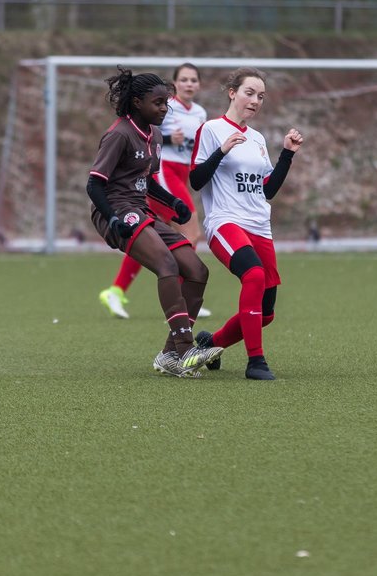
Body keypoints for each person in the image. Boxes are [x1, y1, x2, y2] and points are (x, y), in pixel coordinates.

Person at [86, 67, 224, 377]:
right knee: (167, 265)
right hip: (118, 210)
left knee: (197, 270)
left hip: (141, 209)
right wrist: (112, 218)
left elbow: (147, 182)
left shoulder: (156, 135)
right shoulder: (118, 134)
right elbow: (94, 184)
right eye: (158, 103)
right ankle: (186, 347)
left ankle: (169, 356)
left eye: (167, 103)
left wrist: (173, 202)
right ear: (137, 102)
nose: (164, 109)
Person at [189, 67, 304, 380]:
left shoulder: (257, 139)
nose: (256, 100)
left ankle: (209, 344)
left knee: (266, 314)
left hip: (259, 227)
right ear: (232, 93)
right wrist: (222, 150)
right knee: (253, 275)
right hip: (225, 222)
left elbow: (266, 190)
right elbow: (196, 180)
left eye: (261, 96)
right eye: (249, 93)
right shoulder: (212, 129)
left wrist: (287, 155)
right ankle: (256, 363)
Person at [98, 62, 212, 321]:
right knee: (189, 231)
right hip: (165, 173)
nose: (189, 84)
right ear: (175, 83)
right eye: (184, 79)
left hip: (183, 173)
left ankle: (117, 290)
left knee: (151, 239)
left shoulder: (199, 112)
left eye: (194, 80)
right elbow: (151, 135)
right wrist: (172, 140)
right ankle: (181, 294)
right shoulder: (162, 106)